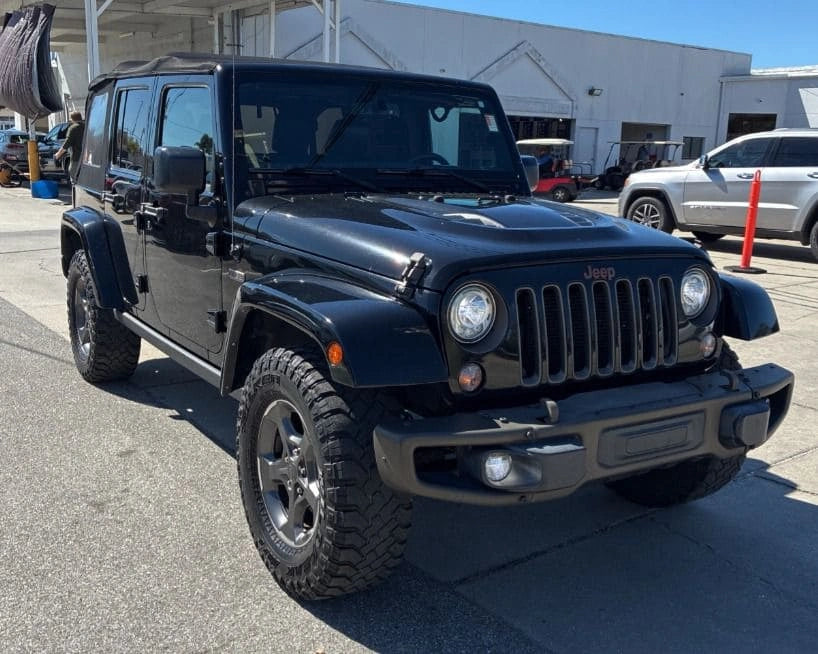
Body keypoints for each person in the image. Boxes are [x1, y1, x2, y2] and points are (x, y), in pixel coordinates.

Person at [55, 111, 84, 182]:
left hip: (76, 158)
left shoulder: (73, 128)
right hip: (88, 160)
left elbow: (66, 144)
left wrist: (57, 155)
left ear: (72, 119)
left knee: (74, 178)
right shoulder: (87, 127)